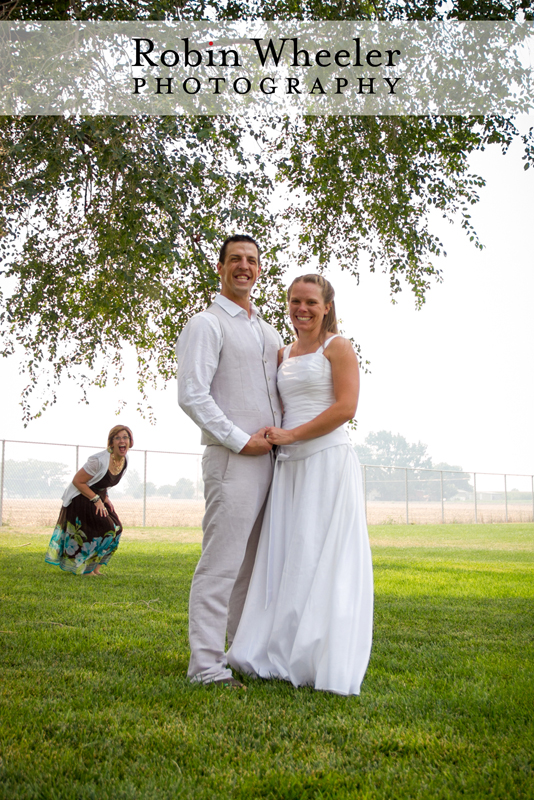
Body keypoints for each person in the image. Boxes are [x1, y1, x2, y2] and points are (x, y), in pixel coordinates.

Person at [227, 274, 374, 696]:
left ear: (327, 306)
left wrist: (293, 435)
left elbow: (346, 407)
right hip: (288, 466)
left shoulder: (338, 347)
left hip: (326, 461)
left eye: (310, 302)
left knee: (321, 554)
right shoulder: (282, 352)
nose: (302, 309)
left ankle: (317, 653)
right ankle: (276, 647)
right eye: (295, 301)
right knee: (288, 554)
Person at [176, 234, 283, 688]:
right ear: (220, 268)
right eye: (235, 259)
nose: (244, 266)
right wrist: (241, 441)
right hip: (232, 460)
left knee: (253, 566)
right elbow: (192, 395)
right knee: (220, 563)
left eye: (252, 260)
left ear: (260, 270)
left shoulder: (268, 331)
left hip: (275, 463)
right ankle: (204, 666)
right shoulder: (206, 324)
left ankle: (241, 653)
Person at [45, 426, 132, 576]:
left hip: (97, 496)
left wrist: (105, 498)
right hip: (81, 497)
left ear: (130, 442)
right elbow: (78, 481)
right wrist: (97, 499)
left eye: (125, 437)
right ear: (111, 443)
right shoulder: (98, 460)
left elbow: (102, 483)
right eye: (117, 438)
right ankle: (86, 570)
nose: (122, 441)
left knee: (117, 528)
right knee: (105, 529)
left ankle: (95, 569)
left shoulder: (124, 461)